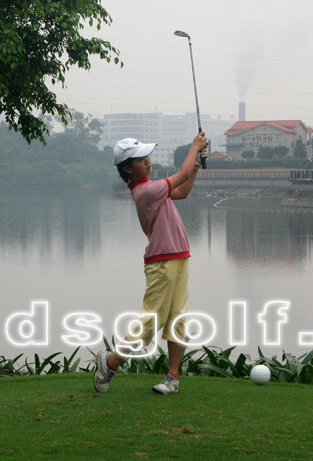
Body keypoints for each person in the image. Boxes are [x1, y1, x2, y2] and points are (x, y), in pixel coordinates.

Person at [94, 132, 208, 394]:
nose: (147, 161)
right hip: (161, 262)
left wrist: (197, 163)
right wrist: (195, 147)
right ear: (127, 168)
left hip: (180, 257)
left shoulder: (154, 189)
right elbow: (181, 175)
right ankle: (110, 364)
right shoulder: (146, 191)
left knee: (177, 320)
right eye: (139, 159)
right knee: (151, 321)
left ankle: (172, 379)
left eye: (147, 156)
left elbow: (184, 190)